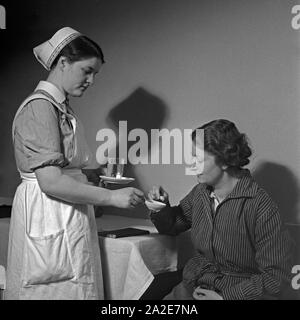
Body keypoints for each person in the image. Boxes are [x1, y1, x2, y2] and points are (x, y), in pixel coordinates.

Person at [6, 27, 144, 300]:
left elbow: (62, 167)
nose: (91, 80)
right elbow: (51, 181)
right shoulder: (40, 107)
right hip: (48, 210)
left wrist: (91, 174)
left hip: (67, 212)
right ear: (63, 63)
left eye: (95, 74)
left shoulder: (61, 108)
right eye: (87, 70)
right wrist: (111, 198)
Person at [148, 119, 292, 300]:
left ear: (225, 160)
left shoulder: (261, 206)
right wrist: (161, 207)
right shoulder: (200, 193)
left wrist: (226, 298)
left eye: (199, 158)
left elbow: (276, 278)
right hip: (191, 286)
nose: (191, 165)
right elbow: (172, 226)